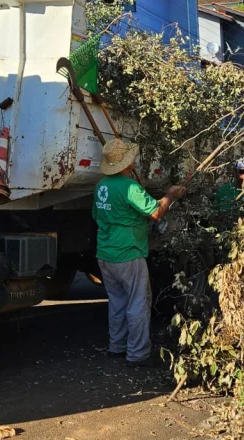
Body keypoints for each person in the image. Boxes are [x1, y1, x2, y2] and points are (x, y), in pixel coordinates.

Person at [92, 138, 185, 367]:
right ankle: (137, 354)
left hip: (105, 252)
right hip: (128, 253)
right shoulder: (129, 187)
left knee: (117, 302)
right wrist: (170, 194)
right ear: (126, 163)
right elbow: (155, 212)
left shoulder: (101, 185)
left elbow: (97, 215)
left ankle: (117, 347)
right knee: (138, 303)